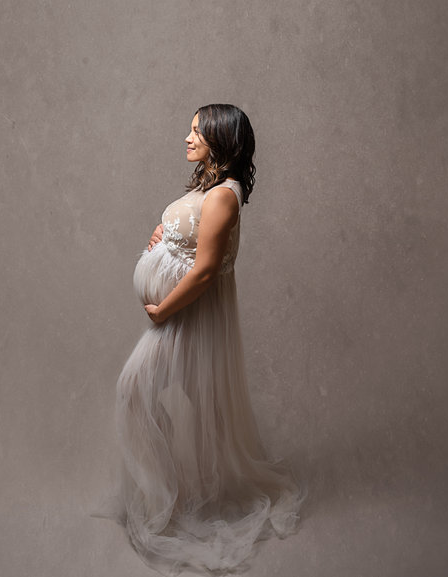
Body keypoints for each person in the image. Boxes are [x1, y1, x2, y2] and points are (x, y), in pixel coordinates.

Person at [109, 104, 308, 575]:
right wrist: (163, 235)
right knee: (173, 401)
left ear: (220, 138)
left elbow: (203, 273)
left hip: (186, 315)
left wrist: (162, 310)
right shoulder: (210, 188)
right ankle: (173, 493)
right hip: (181, 315)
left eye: (197, 130)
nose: (187, 137)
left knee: (137, 393)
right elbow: (191, 242)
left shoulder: (224, 196)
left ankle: (168, 502)